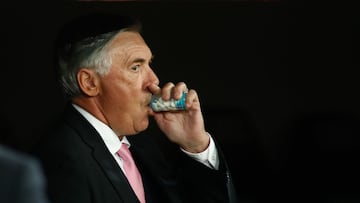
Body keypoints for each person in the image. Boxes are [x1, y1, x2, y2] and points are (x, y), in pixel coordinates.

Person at [33, 13, 238, 203]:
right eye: (135, 67)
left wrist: (195, 146)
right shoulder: (59, 160)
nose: (153, 80)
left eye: (149, 64)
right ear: (89, 83)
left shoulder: (141, 145)